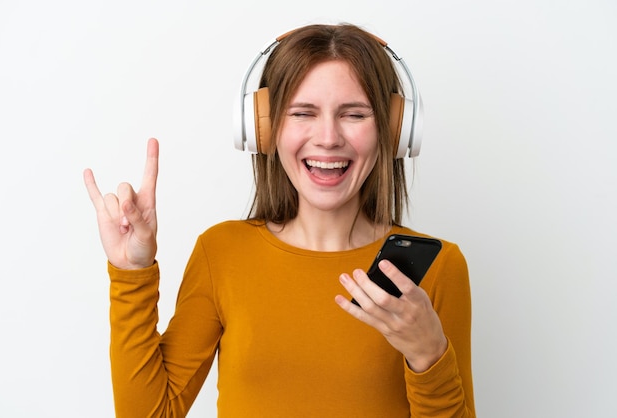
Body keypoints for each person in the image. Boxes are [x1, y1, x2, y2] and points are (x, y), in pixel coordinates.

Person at [84, 23, 475, 417]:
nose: (328, 138)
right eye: (303, 113)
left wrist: (429, 354)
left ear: (393, 129)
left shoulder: (439, 268)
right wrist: (131, 272)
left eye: (354, 114)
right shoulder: (221, 253)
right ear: (263, 129)